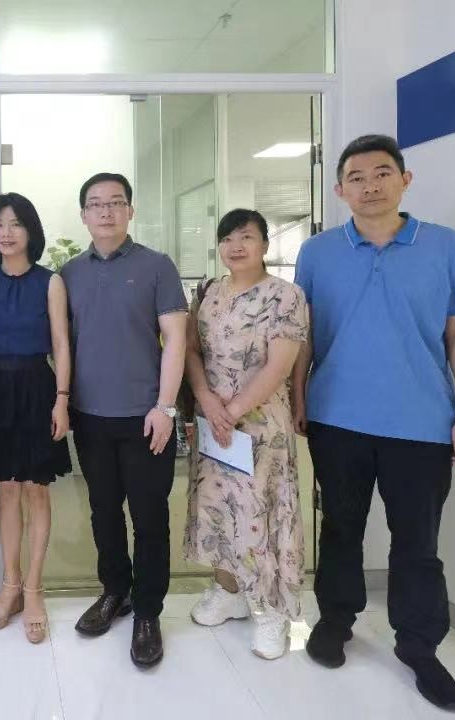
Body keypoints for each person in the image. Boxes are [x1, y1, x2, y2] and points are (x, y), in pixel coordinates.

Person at [293, 134, 455, 712]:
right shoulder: (318, 252)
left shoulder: (445, 246)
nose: (370, 186)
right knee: (340, 528)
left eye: (382, 173)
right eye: (356, 177)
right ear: (339, 190)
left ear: (405, 180)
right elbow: (304, 334)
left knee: (417, 543)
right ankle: (335, 620)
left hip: (422, 422)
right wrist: (299, 397)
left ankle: (419, 645)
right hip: (336, 419)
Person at [61, 172, 187, 667]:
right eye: (96, 204)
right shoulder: (69, 273)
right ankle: (116, 591)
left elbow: (176, 338)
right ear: (84, 215)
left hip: (146, 417)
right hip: (90, 417)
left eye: (116, 202)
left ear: (130, 211)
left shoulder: (156, 266)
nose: (106, 211)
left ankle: (148, 612)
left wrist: (166, 407)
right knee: (104, 511)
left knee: (150, 517)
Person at [183, 208, 308, 660]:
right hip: (215, 424)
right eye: (227, 239)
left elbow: (280, 366)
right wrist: (206, 399)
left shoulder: (285, 295)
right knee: (219, 509)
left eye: (247, 237)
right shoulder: (210, 293)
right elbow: (192, 351)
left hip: (260, 427)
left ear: (264, 244)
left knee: (262, 512)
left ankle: (272, 610)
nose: (236, 246)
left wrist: (232, 410)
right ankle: (229, 591)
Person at [0, 193, 73, 644]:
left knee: (36, 490)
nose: (6, 232)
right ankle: (10, 585)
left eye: (15, 223)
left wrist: (62, 400)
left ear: (30, 230)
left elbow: (61, 344)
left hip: (37, 389)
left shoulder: (50, 282)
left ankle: (34, 589)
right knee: (7, 491)